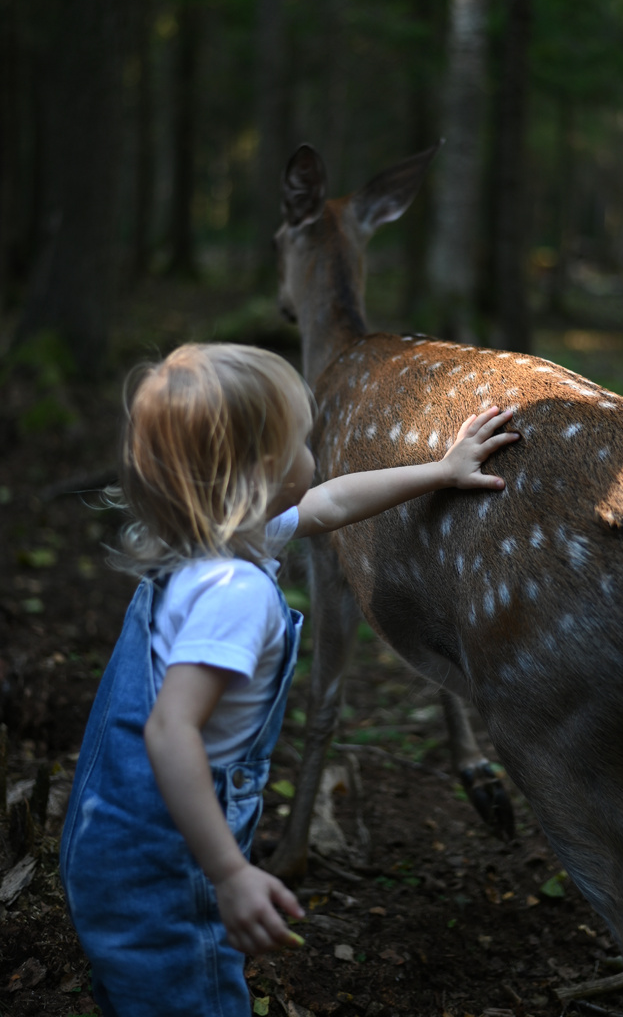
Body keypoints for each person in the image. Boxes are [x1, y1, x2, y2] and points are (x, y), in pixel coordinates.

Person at [60, 341, 518, 1017]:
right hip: (164, 869)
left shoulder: (211, 537)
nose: (316, 455)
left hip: (106, 838)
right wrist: (230, 874)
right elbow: (169, 730)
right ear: (259, 474)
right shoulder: (234, 594)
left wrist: (439, 470)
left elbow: (329, 505)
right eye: (302, 442)